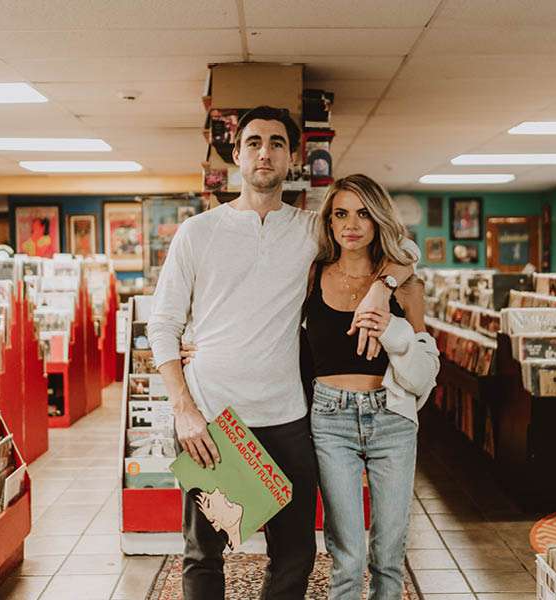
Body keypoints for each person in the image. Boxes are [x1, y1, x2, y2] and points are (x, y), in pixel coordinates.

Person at [147, 106, 417, 600]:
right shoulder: (197, 232)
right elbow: (162, 324)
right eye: (254, 142)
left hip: (289, 417)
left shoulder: (313, 230)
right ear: (237, 153)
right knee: (204, 554)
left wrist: (383, 286)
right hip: (212, 416)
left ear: (292, 157)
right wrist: (182, 409)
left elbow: (402, 247)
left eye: (276, 143)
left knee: (294, 553)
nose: (264, 152)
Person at [304, 174, 440, 600]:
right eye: (341, 213)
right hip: (329, 419)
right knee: (346, 556)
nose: (352, 224)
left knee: (389, 552)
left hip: (392, 417)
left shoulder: (405, 285)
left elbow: (425, 375)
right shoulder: (311, 276)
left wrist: (394, 330)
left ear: (378, 219)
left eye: (364, 213)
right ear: (328, 222)